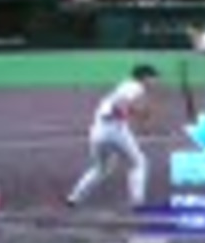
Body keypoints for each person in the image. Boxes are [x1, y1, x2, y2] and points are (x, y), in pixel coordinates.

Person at [66, 65, 160, 210]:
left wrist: (136, 113)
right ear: (144, 77)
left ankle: (74, 198)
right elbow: (120, 107)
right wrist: (137, 116)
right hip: (115, 131)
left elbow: (121, 107)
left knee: (101, 168)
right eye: (153, 77)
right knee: (139, 163)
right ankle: (137, 201)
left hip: (97, 132)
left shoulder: (125, 86)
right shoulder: (135, 87)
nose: (155, 81)